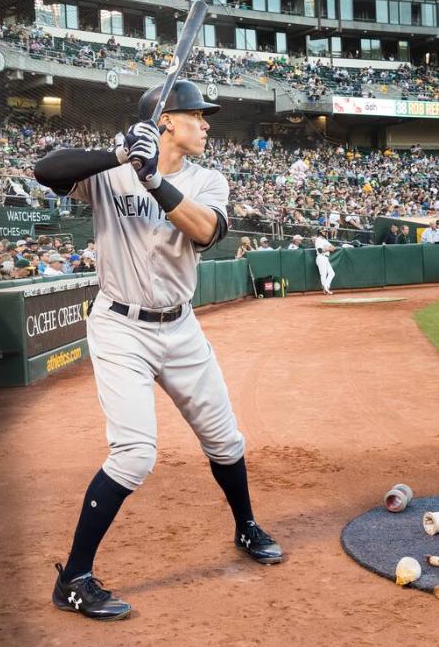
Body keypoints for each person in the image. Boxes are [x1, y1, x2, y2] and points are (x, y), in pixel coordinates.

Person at [34, 79, 283, 623]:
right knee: (135, 453)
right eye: (197, 115)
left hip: (181, 326)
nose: (207, 124)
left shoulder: (207, 178)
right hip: (121, 326)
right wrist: (122, 155)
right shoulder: (111, 170)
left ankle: (245, 526)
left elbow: (206, 230)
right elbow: (45, 170)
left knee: (225, 438)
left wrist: (153, 181)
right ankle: (73, 577)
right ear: (166, 119)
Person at [314, 226, 336, 295]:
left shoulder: (325, 240)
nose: (325, 233)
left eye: (325, 231)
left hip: (326, 258)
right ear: (320, 232)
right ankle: (326, 289)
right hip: (321, 257)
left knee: (332, 273)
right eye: (324, 231)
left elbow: (333, 248)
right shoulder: (318, 240)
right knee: (323, 274)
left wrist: (327, 248)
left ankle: (326, 287)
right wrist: (328, 248)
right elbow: (320, 250)